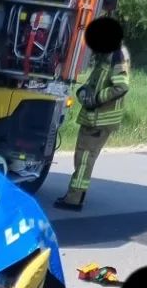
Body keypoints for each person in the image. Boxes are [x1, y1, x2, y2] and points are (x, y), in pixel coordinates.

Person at [53, 40, 131, 211]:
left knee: (84, 160)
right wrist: (83, 92)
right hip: (94, 118)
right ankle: (76, 195)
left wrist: (96, 99)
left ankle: (74, 199)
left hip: (100, 120)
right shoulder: (107, 55)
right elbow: (94, 82)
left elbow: (122, 86)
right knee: (83, 158)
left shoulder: (116, 55)